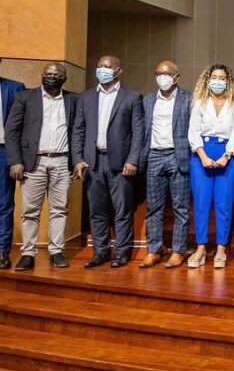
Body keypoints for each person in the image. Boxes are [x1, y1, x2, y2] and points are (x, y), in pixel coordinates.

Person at [71, 55, 144, 268]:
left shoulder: (132, 97)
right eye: (99, 66)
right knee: (96, 211)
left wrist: (133, 160)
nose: (102, 70)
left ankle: (121, 252)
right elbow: (78, 130)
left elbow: (138, 133)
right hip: (92, 162)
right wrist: (77, 159)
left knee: (122, 210)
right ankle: (100, 252)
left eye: (107, 67)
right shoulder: (86, 97)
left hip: (121, 164)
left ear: (118, 71)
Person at [5, 63, 76, 270]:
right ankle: (28, 253)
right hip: (32, 162)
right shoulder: (25, 97)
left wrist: (77, 160)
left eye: (57, 74)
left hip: (62, 161)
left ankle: (56, 251)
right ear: (42, 75)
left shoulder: (73, 100)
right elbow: (12, 131)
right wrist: (15, 161)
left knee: (59, 209)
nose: (52, 77)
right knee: (30, 211)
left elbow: (78, 131)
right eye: (48, 74)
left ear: (64, 79)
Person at [187, 64, 234, 269]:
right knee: (201, 204)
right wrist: (202, 156)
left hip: (227, 156)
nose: (217, 81)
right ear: (208, 80)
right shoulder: (199, 103)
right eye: (214, 77)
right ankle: (201, 247)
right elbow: (193, 131)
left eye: (222, 78)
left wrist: (226, 156)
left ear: (228, 82)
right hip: (201, 154)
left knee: (223, 205)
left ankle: (221, 248)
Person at [139, 61, 193, 269]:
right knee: (154, 207)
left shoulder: (188, 99)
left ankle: (178, 251)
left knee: (181, 208)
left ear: (176, 77)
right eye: (159, 73)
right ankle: (154, 250)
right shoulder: (147, 100)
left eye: (167, 74)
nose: (163, 77)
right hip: (154, 155)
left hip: (178, 156)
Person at [0, 59, 25, 269]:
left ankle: (2, 252)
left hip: (4, 152)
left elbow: (23, 126)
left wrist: (17, 158)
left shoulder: (15, 88)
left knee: (4, 203)